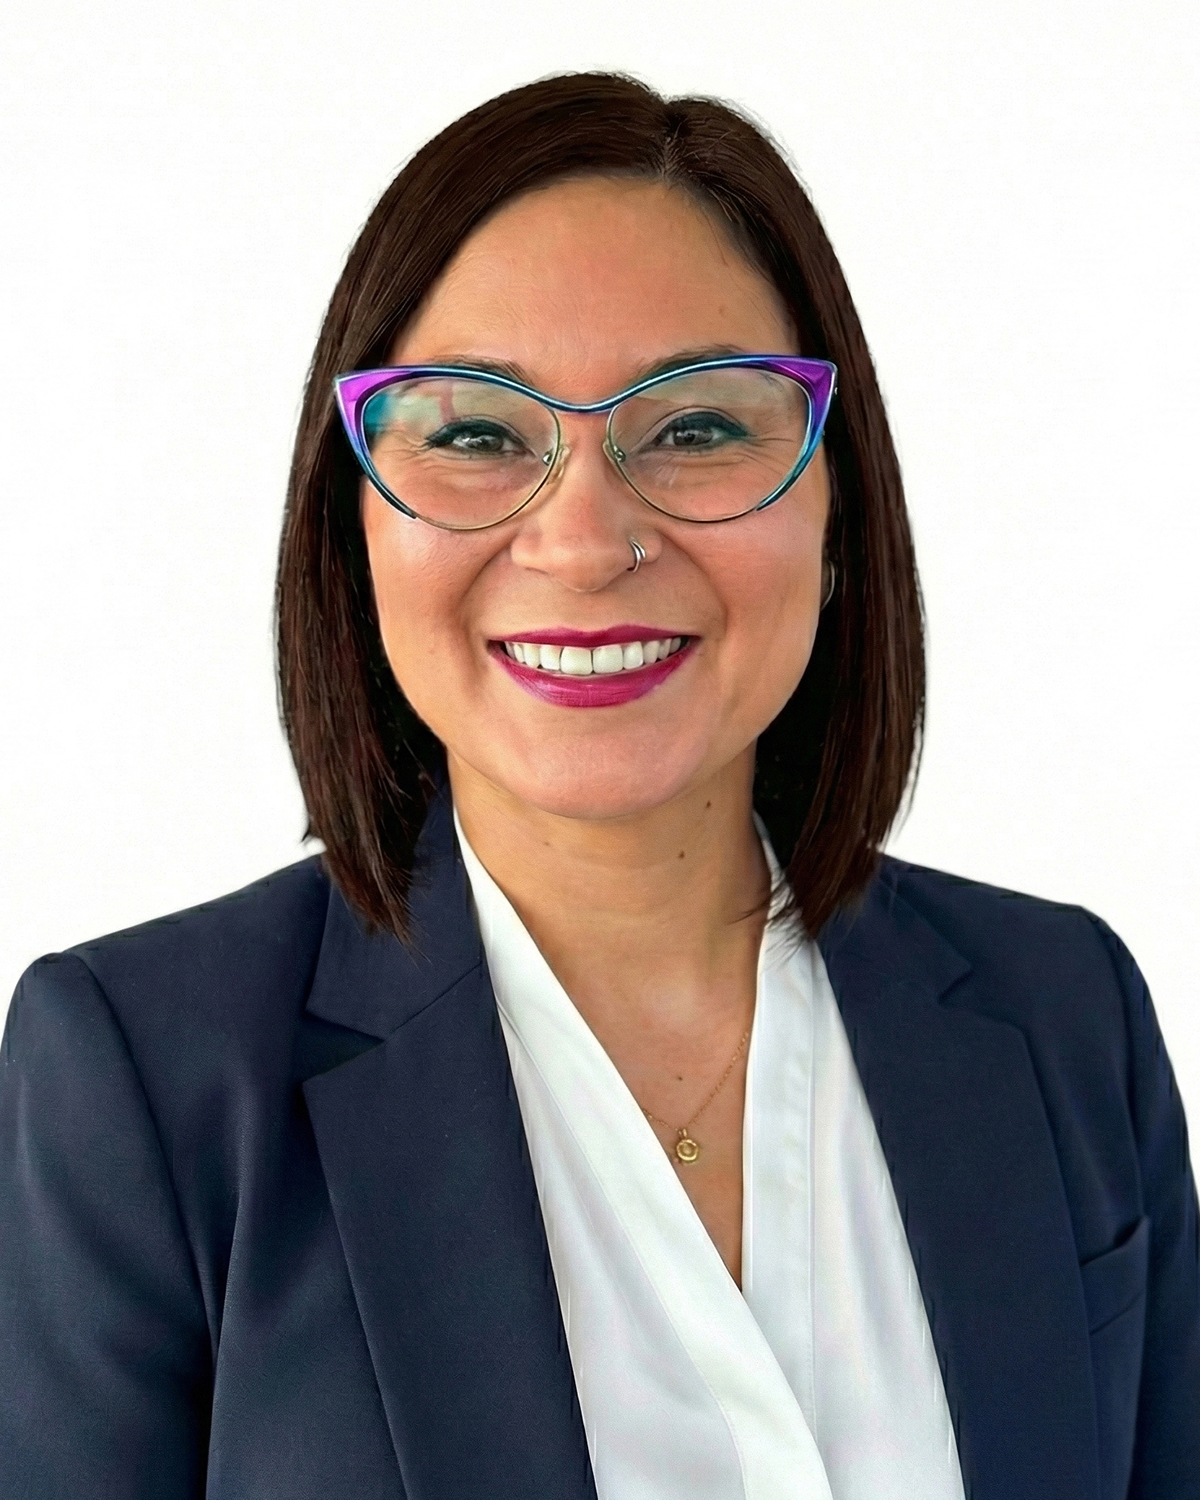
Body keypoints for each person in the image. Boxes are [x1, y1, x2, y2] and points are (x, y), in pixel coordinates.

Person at [1, 71, 1196, 1500]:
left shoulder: (1064, 1016)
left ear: (838, 505)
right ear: (352, 520)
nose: (581, 540)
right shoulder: (145, 1081)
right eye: (475, 434)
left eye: (695, 428)